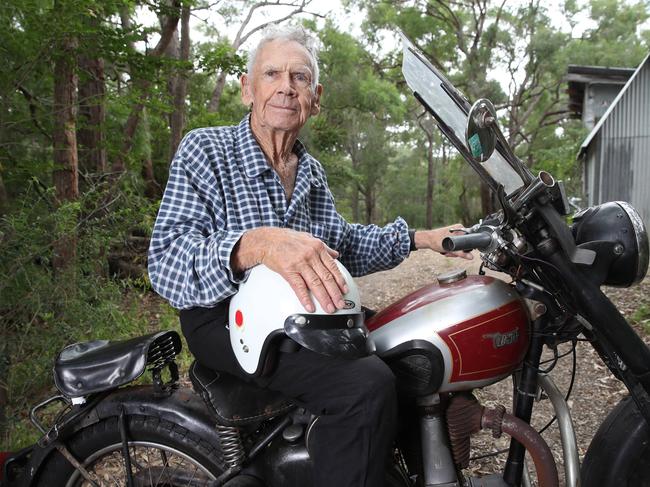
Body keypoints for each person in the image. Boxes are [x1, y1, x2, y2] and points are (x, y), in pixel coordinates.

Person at [148, 26, 471, 487]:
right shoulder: (205, 150)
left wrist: (421, 237)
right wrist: (254, 245)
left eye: (299, 77)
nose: (285, 86)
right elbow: (166, 260)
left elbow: (345, 246)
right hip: (223, 315)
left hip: (308, 310)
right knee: (363, 387)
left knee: (414, 343)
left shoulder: (312, 173)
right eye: (272, 74)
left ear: (315, 98)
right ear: (247, 89)